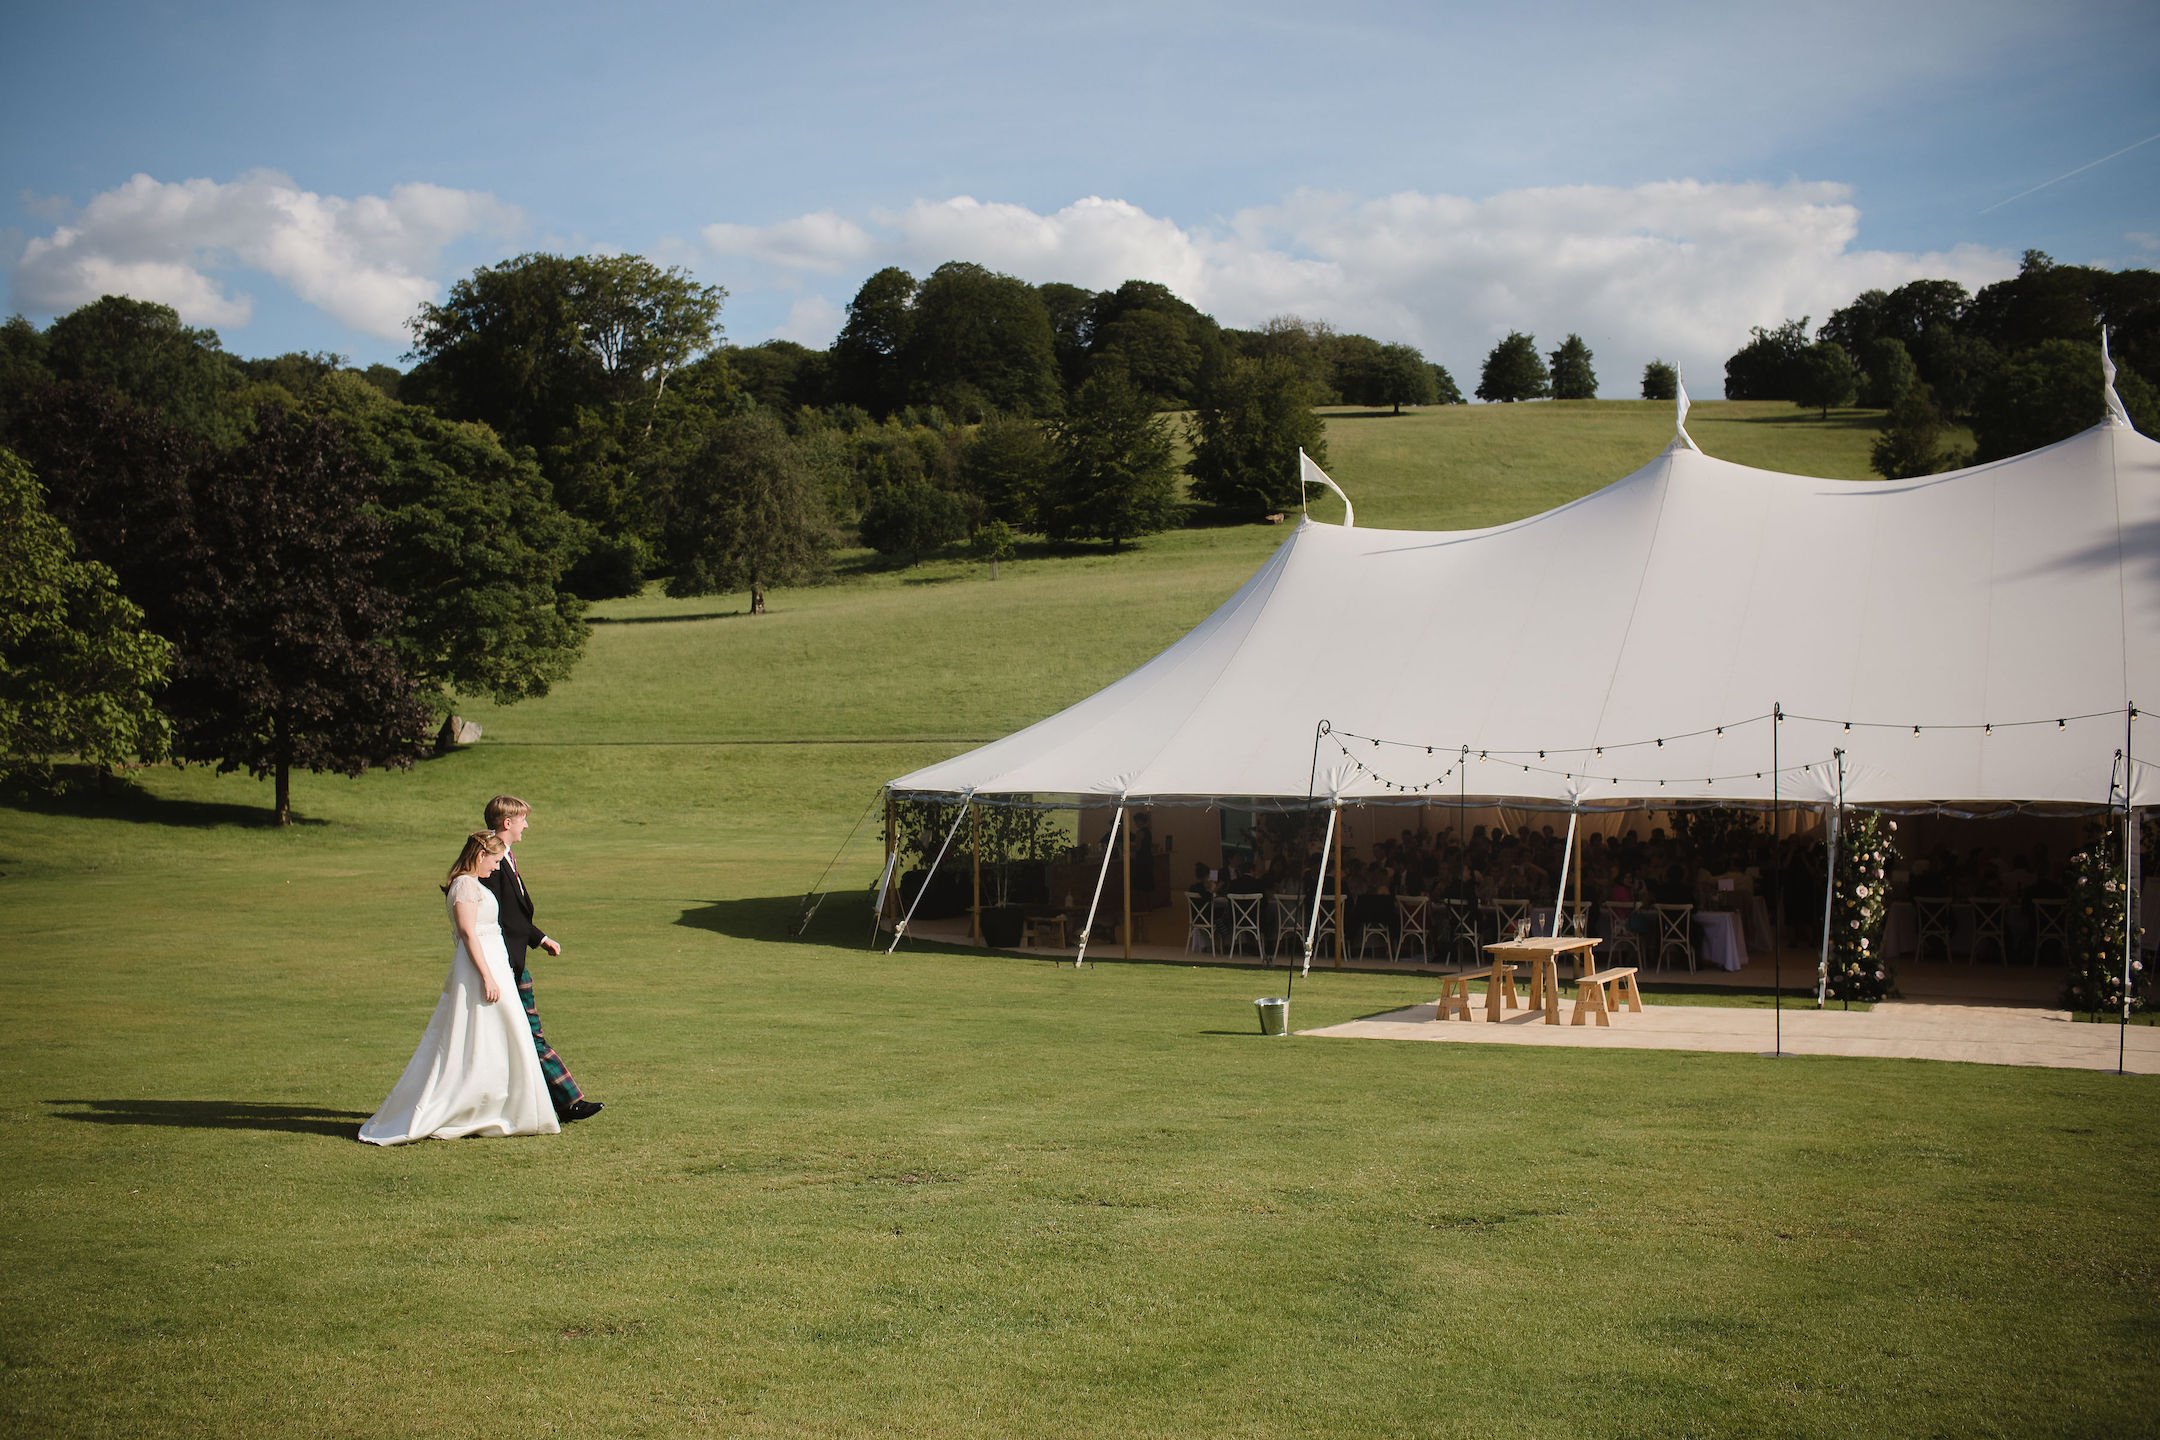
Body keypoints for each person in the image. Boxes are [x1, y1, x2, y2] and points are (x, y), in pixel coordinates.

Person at [359, 832, 561, 1145]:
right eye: (493, 861)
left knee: (505, 1033)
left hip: (495, 964)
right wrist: (487, 976)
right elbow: (468, 934)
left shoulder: (474, 884)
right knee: (482, 1032)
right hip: (482, 967)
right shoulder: (465, 885)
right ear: (480, 856)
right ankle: (471, 1106)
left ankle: (502, 1105)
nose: (495, 868)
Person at [483, 795, 603, 1124]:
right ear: (506, 823)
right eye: (522, 820)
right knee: (528, 1033)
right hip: (504, 963)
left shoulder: (504, 857)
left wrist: (542, 938)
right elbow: (496, 916)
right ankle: (568, 1102)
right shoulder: (489, 861)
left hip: (511, 959)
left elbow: (514, 914)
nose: (526, 825)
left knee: (519, 1034)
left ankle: (543, 1102)